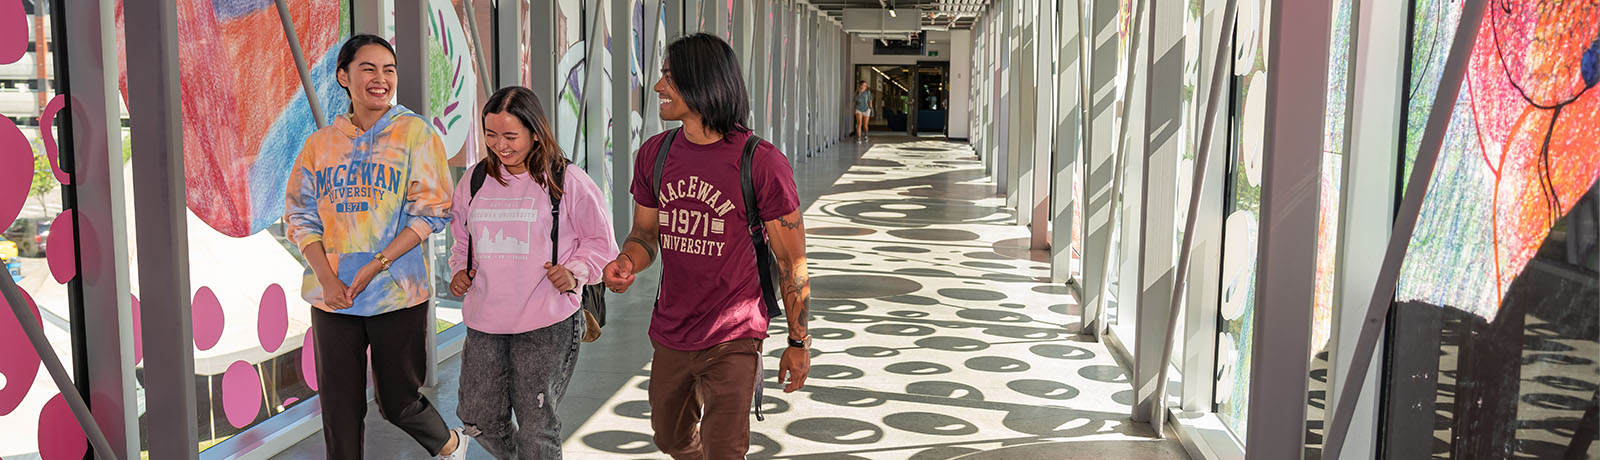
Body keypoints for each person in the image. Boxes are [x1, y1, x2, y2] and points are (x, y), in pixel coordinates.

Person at [602, 33, 813, 460]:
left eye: (669, 78)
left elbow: (792, 261)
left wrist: (798, 341)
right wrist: (627, 260)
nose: (658, 88)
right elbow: (645, 235)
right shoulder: (655, 156)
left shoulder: (761, 162)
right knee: (670, 437)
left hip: (735, 332)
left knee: (725, 448)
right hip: (672, 329)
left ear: (702, 82)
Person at [283, 34, 469, 460]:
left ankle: (449, 444)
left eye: (389, 69)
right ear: (343, 77)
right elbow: (300, 217)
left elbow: (432, 212)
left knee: (398, 401)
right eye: (368, 68)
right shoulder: (319, 145)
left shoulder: (415, 135)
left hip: (396, 294)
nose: (381, 79)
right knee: (339, 408)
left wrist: (377, 265)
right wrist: (328, 280)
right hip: (334, 299)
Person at [447, 86, 618, 459]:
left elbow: (601, 243)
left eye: (511, 136)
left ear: (535, 132)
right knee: (478, 416)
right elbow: (462, 238)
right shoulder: (475, 180)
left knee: (537, 424)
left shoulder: (565, 179)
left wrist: (574, 272)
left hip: (547, 321)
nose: (499, 145)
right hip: (485, 321)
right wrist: (461, 269)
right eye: (491, 135)